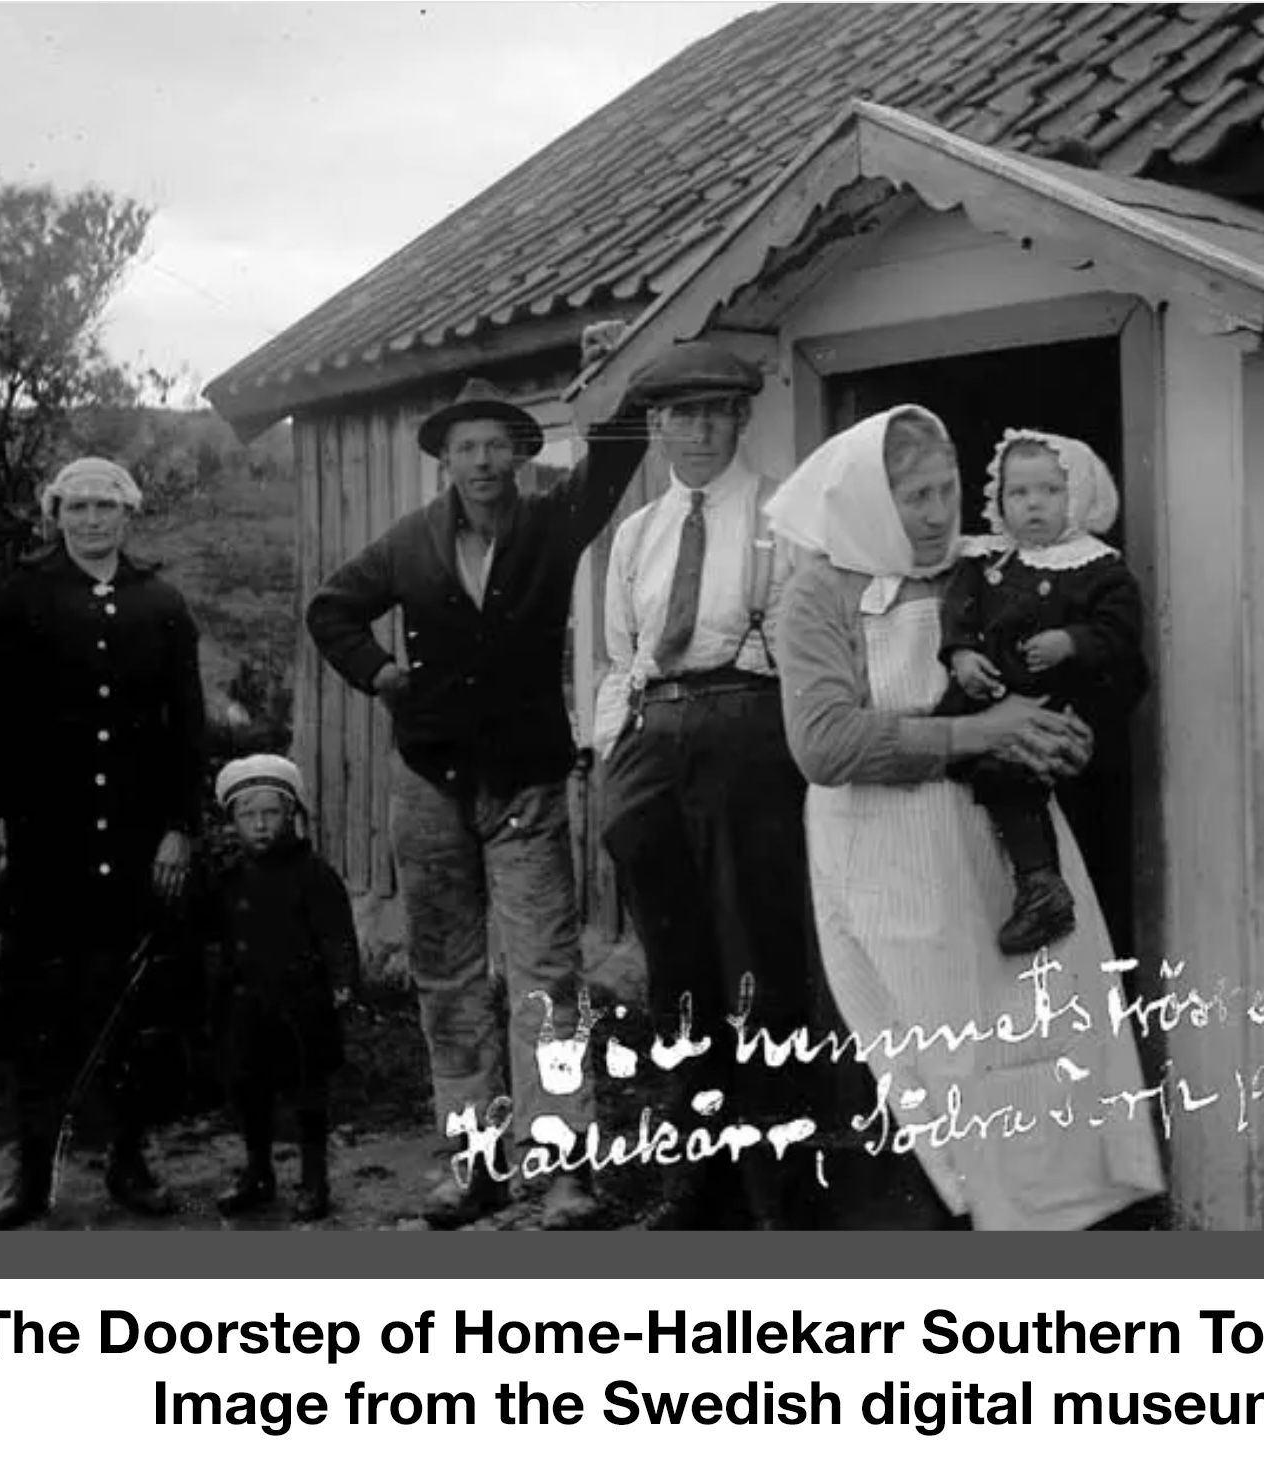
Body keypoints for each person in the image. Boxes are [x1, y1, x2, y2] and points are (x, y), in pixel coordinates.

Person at [770, 407, 1165, 1230]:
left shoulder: (989, 565)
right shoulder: (819, 591)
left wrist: (1065, 727)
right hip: (888, 851)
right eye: (912, 497)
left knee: (1045, 1040)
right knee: (930, 1050)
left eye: (946, 490)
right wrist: (977, 732)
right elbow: (823, 743)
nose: (935, 514)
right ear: (867, 502)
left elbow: (1091, 660)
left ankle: (1061, 1226)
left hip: (1006, 841)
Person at [305, 378, 649, 1230]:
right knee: (448, 979)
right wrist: (381, 674)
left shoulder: (552, 522)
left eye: (498, 444)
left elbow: (615, 457)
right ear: (446, 459)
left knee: (546, 980)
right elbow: (332, 610)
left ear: (522, 455)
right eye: (467, 447)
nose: (483, 460)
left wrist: (621, 380)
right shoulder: (409, 542)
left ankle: (562, 1169)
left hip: (525, 785)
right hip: (428, 784)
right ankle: (476, 1163)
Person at [593, 341, 824, 1230]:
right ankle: (701, 1176)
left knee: (758, 962)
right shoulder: (636, 533)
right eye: (678, 416)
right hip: (652, 739)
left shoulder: (783, 516)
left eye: (714, 413)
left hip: (747, 731)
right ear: (655, 424)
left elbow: (805, 647)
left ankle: (778, 1189)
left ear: (741, 418)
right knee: (677, 974)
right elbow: (621, 658)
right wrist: (616, 762)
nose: (696, 432)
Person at [0, 457, 208, 1229]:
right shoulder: (23, 598)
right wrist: (7, 827)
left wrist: (179, 826)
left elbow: (187, 724)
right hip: (49, 845)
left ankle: (129, 1160)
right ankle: (31, 1172)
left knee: (134, 1008)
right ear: (56, 515)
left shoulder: (161, 603)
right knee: (41, 1010)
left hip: (140, 846)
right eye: (75, 506)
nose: (90, 519)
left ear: (127, 515)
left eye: (104, 506)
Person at [935, 429, 1148, 955]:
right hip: (991, 706)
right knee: (987, 777)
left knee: (1046, 792)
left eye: (1050, 491)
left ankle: (1046, 889)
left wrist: (1072, 641)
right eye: (1018, 492)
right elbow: (959, 616)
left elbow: (1120, 636)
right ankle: (1036, 884)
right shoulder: (985, 561)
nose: (1033, 504)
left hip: (1065, 708)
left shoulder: (1098, 568)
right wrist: (962, 657)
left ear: (1078, 496)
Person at [205, 755, 359, 1223]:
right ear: (232, 820)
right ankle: (257, 1172)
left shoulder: (312, 874)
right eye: (248, 815)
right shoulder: (228, 878)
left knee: (307, 1095)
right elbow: (214, 934)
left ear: (290, 814)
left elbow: (336, 933)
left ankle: (314, 1180)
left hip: (301, 1006)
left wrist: (342, 981)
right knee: (248, 1091)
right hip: (246, 1005)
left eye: (271, 813)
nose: (260, 825)